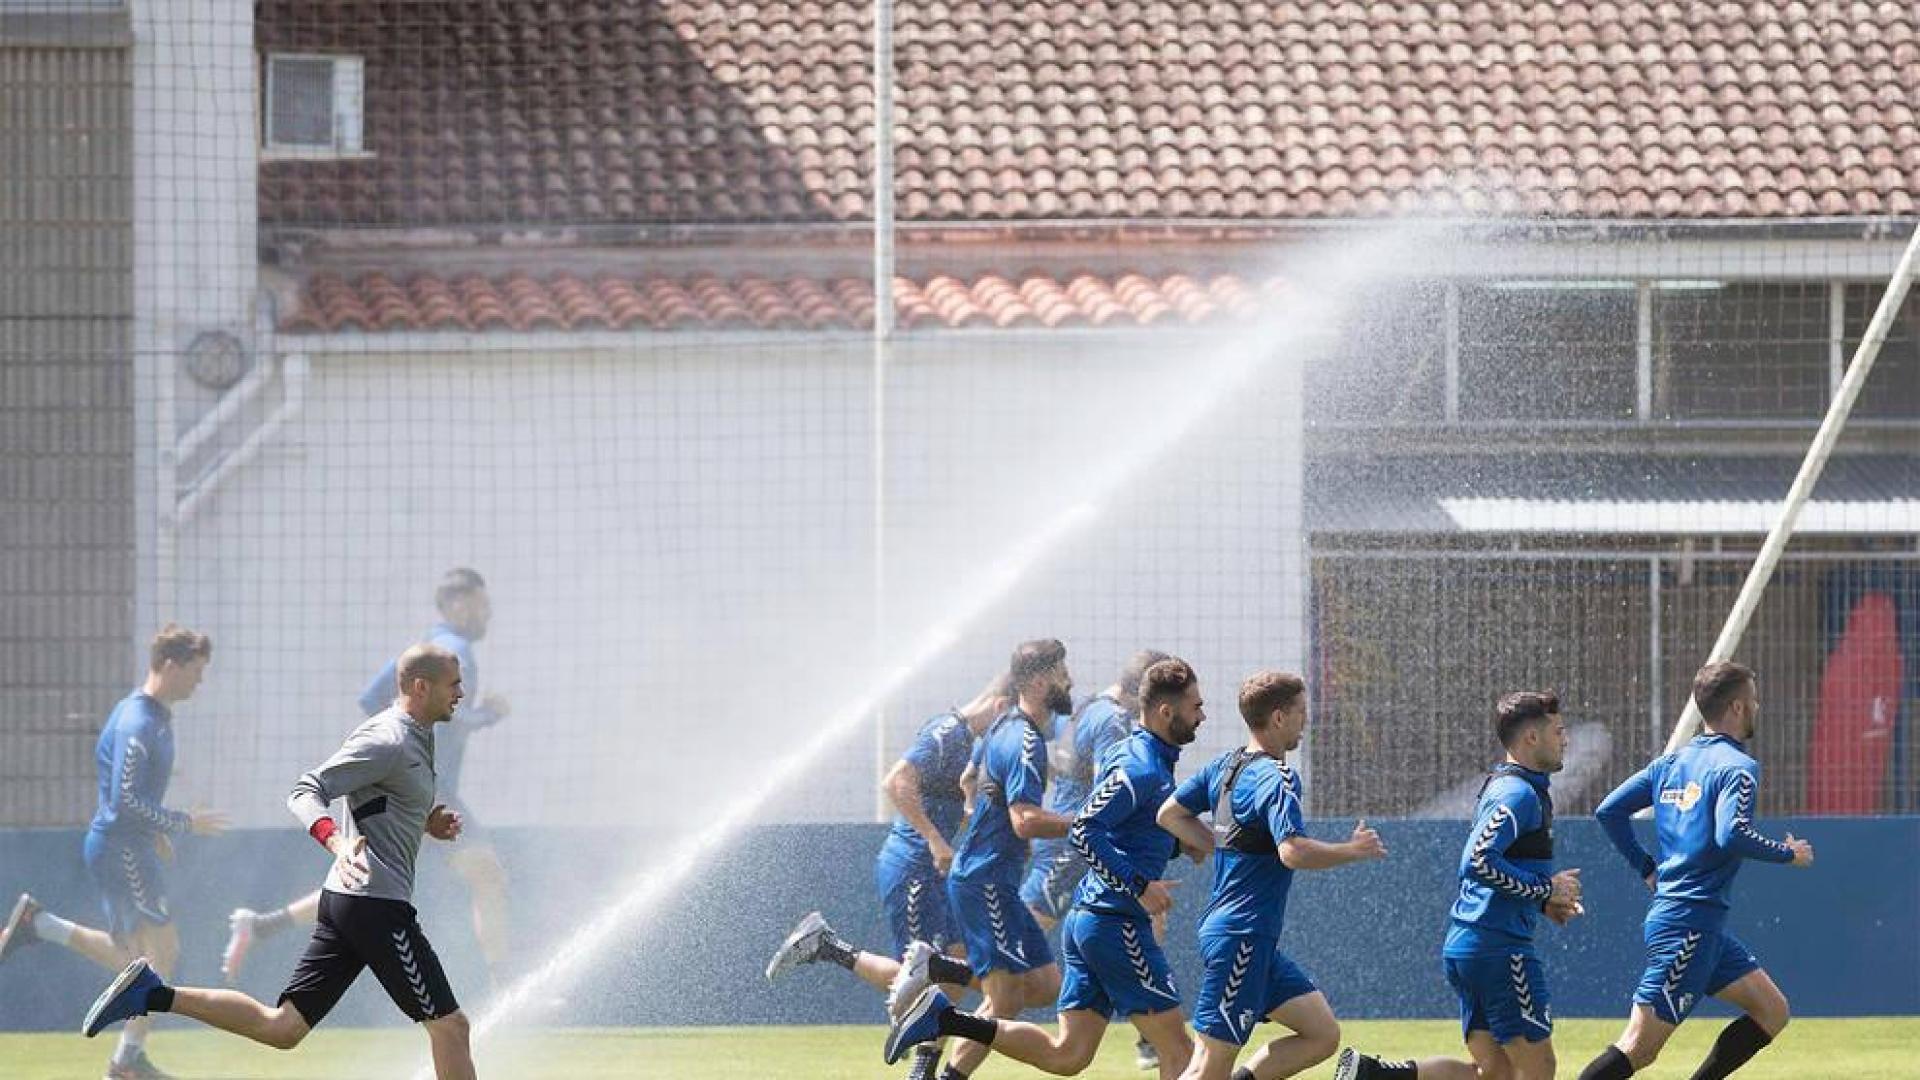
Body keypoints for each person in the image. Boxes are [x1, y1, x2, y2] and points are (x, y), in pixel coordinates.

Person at [81, 644, 478, 1080]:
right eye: (454, 685)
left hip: (353, 901)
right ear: (420, 687)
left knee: (283, 1027)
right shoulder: (388, 738)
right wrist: (337, 842)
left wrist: (425, 820)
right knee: (450, 1027)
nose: (461, 693)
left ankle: (151, 994)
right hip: (374, 905)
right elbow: (305, 791)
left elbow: (381, 801)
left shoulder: (417, 734)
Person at [886, 657, 1207, 1079]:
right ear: (1167, 711)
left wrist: (1177, 845)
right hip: (1114, 921)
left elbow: (1125, 825)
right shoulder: (1138, 763)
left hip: (1089, 918)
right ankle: (938, 983)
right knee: (1180, 1052)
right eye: (1196, 706)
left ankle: (945, 1020)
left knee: (1067, 1054)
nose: (1202, 715)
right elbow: (1087, 828)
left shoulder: (1139, 754)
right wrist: (1138, 883)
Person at [224, 569, 513, 988]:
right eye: (479, 604)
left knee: (369, 880)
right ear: (454, 604)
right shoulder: (456, 651)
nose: (487, 612)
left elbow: (371, 698)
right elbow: (452, 718)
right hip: (425, 790)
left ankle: (263, 925)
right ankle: (504, 984)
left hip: (405, 786)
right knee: (486, 872)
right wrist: (488, 714)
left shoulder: (424, 648)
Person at [0, 624, 229, 1079]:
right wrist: (182, 823)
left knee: (137, 958)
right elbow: (124, 801)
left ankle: (41, 925)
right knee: (161, 955)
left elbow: (131, 794)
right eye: (195, 672)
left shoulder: (155, 717)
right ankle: (126, 1061)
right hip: (121, 848)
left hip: (128, 845)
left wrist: (156, 832)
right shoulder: (138, 721)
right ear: (169, 664)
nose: (199, 683)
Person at [763, 673, 1013, 1079]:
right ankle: (827, 945)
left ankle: (924, 1067)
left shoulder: (964, 741)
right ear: (1000, 707)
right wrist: (935, 840)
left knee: (953, 965)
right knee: (919, 977)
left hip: (934, 872)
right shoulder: (947, 731)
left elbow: (940, 798)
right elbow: (896, 781)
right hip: (914, 866)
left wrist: (968, 821)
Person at [1574, 661, 1813, 1080]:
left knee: (1772, 1011)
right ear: (1737, 708)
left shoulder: (1672, 763)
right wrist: (1787, 853)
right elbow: (1731, 834)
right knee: (1638, 1047)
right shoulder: (1738, 768)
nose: (1758, 706)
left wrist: (1646, 867)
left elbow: (1609, 810)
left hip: (1698, 925)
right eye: (1754, 699)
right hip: (1689, 927)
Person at [1336, 691, 1583, 1080]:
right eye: (1558, 730)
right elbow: (1479, 861)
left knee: (1495, 1072)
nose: (1565, 739)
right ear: (1531, 738)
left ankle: (1374, 1074)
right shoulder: (1518, 793)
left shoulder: (1511, 787)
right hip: (1499, 950)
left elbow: (1494, 870)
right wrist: (1543, 891)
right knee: (1539, 1068)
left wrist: (1539, 901)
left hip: (1472, 947)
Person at [1154, 670, 1386, 1080]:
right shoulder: (1277, 777)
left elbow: (1169, 814)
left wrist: (1222, 845)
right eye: (1301, 712)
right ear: (1278, 718)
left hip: (1247, 938)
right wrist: (1353, 850)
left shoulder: (1224, 767)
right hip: (1241, 937)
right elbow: (1293, 851)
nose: (1306, 721)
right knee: (1207, 1070)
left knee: (1321, 1033)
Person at [1024, 650, 1170, 1073]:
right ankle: (940, 974)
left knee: (1148, 918)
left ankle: (1149, 1034)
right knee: (1017, 954)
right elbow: (1115, 789)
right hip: (1079, 850)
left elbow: (1065, 765)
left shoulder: (1088, 707)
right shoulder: (1113, 722)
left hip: (1072, 843)